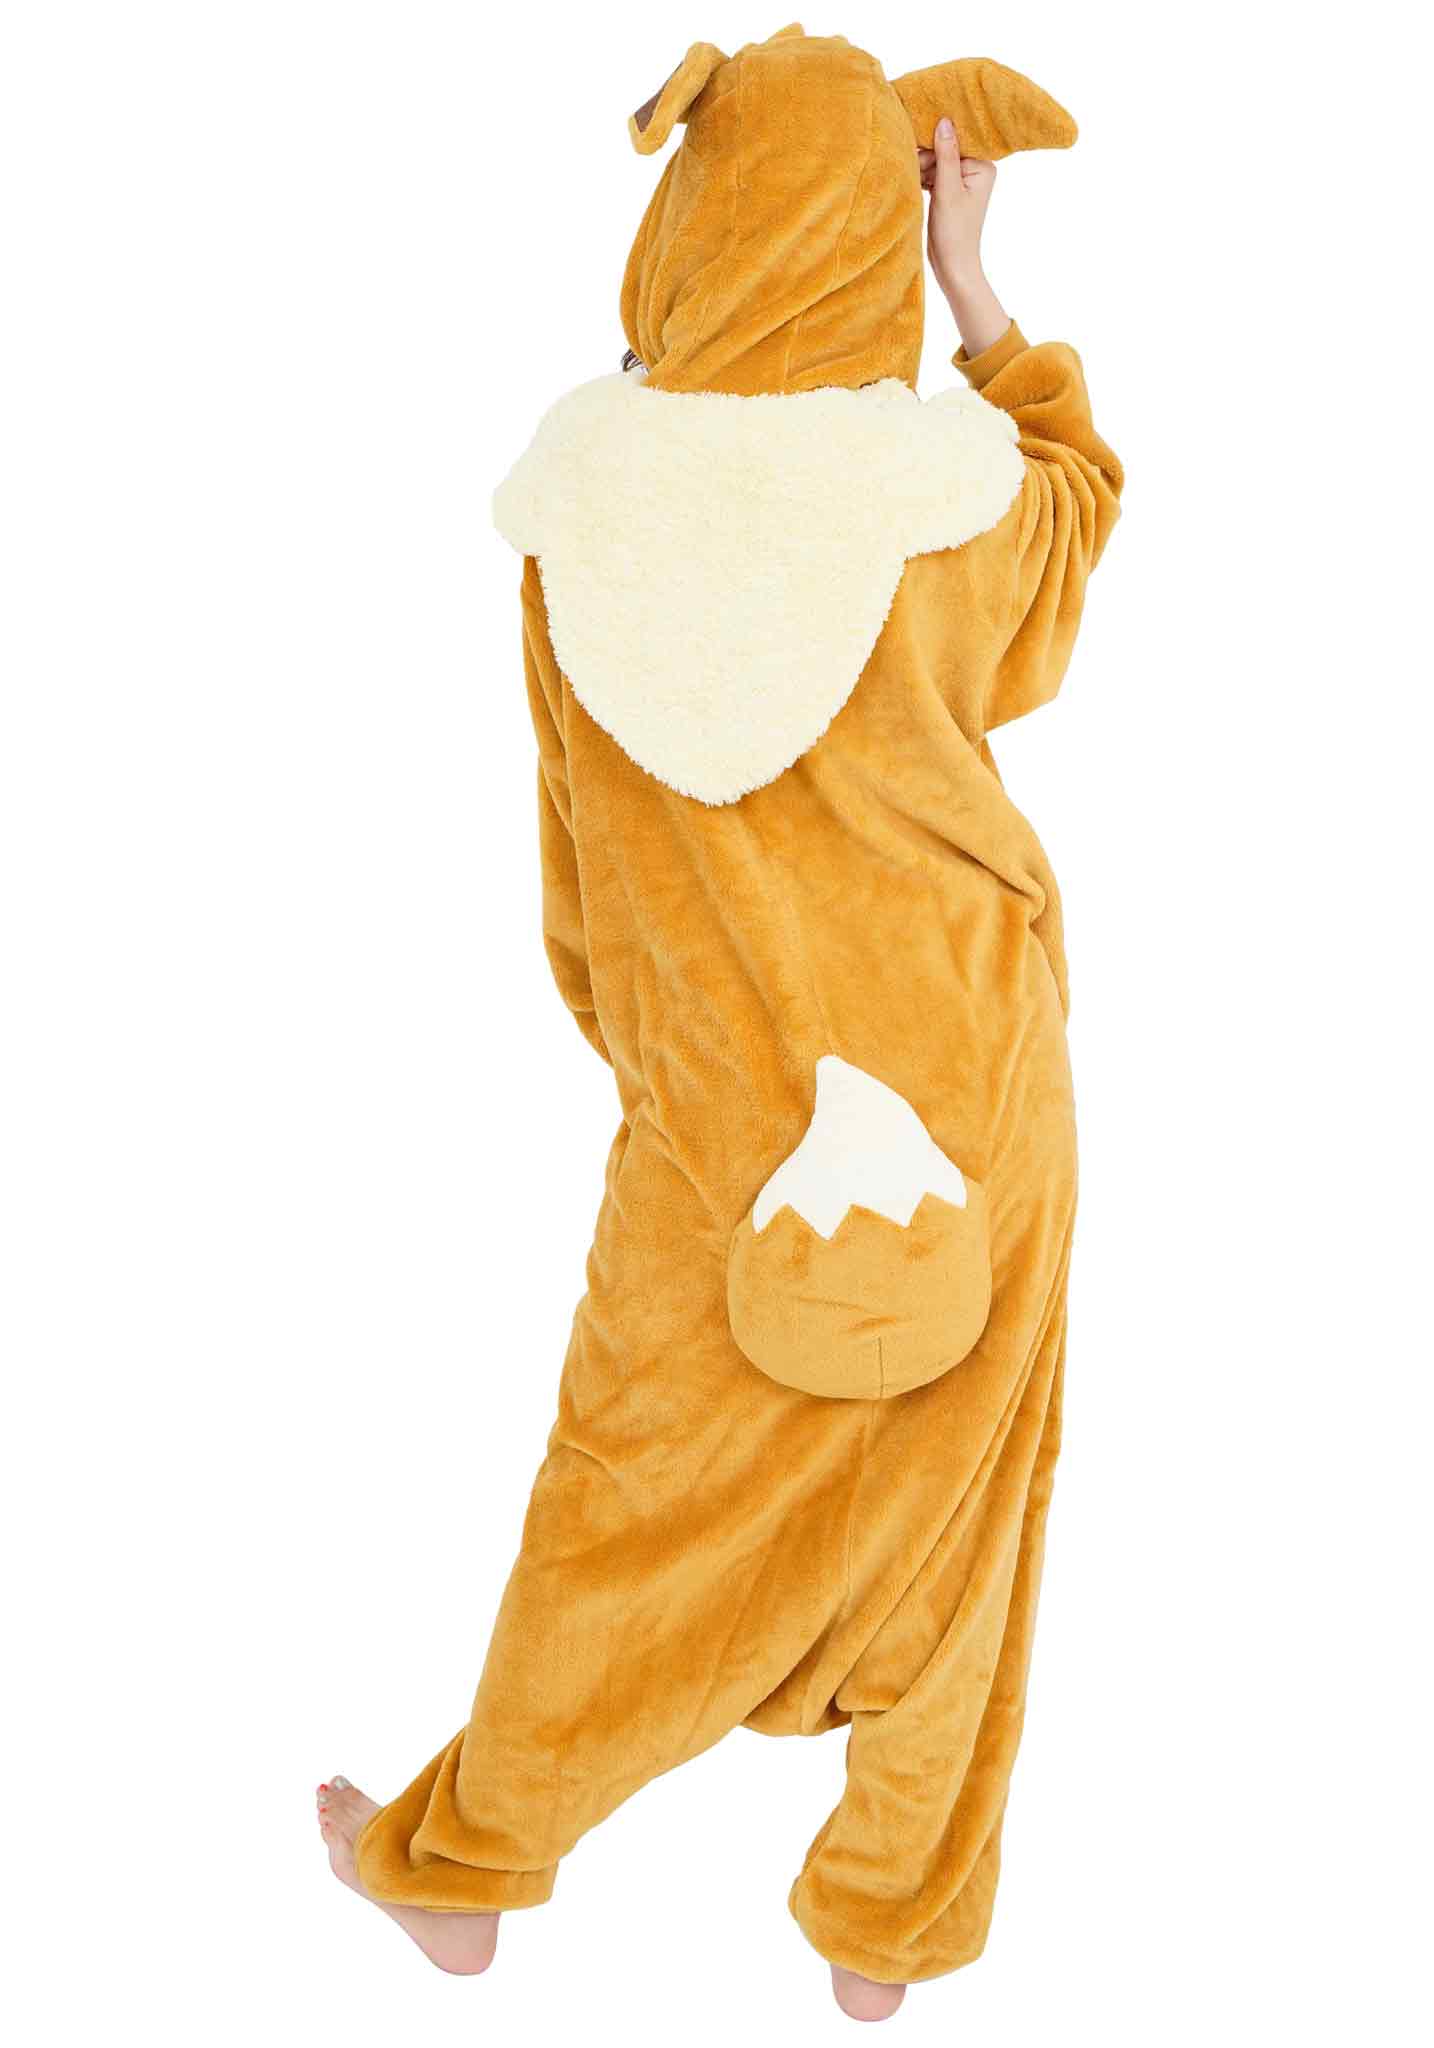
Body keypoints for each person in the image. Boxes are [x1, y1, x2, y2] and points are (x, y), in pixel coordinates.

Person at [316, 26, 1122, 2023]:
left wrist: (664, 1061)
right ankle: (885, 1935)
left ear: (680, 213)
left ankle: (469, 1862)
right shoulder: (951, 514)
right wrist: (979, 297)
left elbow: (574, 866)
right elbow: (1078, 513)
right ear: (876, 230)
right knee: (959, 1513)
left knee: (628, 1479)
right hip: (969, 1077)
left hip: (713, 1108)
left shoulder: (571, 523)